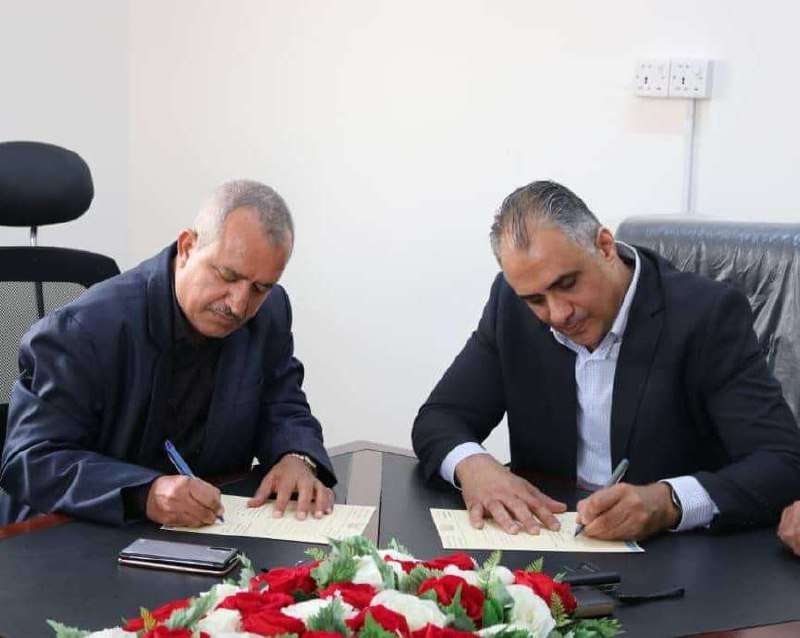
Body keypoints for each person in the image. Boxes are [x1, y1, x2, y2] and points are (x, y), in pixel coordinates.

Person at [412, 180, 800, 541]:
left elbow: (782, 463)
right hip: (554, 544)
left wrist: (669, 501)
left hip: (677, 557)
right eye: (536, 300)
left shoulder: (706, 315)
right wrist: (474, 465)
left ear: (604, 246)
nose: (558, 313)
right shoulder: (511, 305)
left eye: (567, 284)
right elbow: (439, 417)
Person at [0, 180, 336, 527]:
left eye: (260, 287)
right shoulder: (80, 331)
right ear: (187, 247)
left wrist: (296, 456)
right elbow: (31, 460)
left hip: (205, 528)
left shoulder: (269, 312)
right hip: (75, 533)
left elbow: (283, 401)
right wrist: (145, 493)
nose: (238, 304)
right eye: (228, 275)